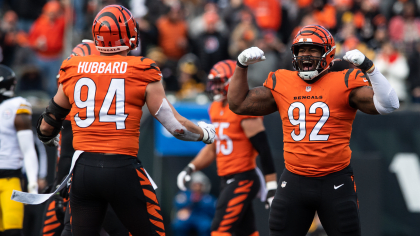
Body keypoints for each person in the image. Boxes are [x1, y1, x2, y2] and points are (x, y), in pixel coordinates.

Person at [36, 5, 215, 236]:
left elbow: (46, 125)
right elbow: (176, 127)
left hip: (83, 172)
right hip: (121, 168)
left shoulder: (73, 68)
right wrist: (204, 133)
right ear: (129, 33)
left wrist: (49, 138)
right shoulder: (142, 69)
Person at [227, 25, 400, 236]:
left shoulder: (344, 80)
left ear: (328, 53)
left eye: (313, 50)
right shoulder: (282, 81)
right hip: (294, 180)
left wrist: (370, 68)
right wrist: (241, 65)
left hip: (335, 181)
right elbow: (238, 104)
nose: (305, 55)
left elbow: (389, 104)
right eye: (301, 50)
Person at [177, 60, 278, 236]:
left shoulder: (244, 108)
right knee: (245, 231)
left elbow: (264, 148)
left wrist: (271, 186)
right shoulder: (215, 108)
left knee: (219, 229)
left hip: (243, 177)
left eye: (219, 82)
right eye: (213, 82)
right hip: (227, 178)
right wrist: (191, 167)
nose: (215, 87)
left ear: (232, 81)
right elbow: (213, 147)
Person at [41, 41, 131, 236]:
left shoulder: (80, 107)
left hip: (85, 178)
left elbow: (64, 149)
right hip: (115, 174)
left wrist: (61, 183)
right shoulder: (118, 94)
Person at [0, 64, 39, 236]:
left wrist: (32, 183)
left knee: (12, 232)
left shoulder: (15, 106)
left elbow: (28, 149)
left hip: (10, 180)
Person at [172, 171, 216, 236]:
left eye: (199, 185)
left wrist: (200, 201)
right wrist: (189, 203)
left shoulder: (208, 198)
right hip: (188, 216)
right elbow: (177, 203)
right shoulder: (185, 195)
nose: (197, 187)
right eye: (195, 185)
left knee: (206, 226)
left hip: (202, 217)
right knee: (178, 225)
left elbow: (213, 209)